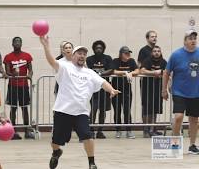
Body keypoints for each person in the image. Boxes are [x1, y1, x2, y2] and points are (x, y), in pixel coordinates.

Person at [39, 36, 120, 169]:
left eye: (84, 54)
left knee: (87, 136)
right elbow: (51, 61)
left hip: (81, 112)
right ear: (73, 55)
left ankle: (91, 162)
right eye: (79, 53)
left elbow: (103, 82)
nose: (82, 56)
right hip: (63, 111)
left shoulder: (89, 73)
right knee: (56, 141)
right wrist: (46, 46)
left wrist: (111, 90)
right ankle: (56, 152)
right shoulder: (65, 67)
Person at [162, 29, 199, 154]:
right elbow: (166, 72)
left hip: (196, 92)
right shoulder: (176, 55)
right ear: (185, 41)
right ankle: (175, 144)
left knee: (194, 119)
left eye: (195, 38)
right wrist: (164, 89)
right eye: (190, 38)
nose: (193, 40)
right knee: (178, 117)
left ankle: (192, 145)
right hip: (179, 92)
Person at [3, 36, 34, 139]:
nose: (17, 43)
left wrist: (29, 74)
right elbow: (7, 71)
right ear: (12, 44)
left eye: (19, 42)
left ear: (21, 44)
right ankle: (13, 131)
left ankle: (27, 131)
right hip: (13, 86)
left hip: (24, 86)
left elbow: (30, 70)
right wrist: (12, 73)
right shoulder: (8, 57)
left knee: (24, 108)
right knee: (13, 108)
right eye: (15, 42)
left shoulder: (27, 56)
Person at [86, 40, 113, 139]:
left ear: (103, 49)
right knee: (93, 109)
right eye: (96, 48)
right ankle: (91, 130)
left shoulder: (108, 58)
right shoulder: (89, 59)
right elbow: (87, 70)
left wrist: (99, 74)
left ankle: (100, 131)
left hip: (104, 88)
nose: (98, 49)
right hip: (93, 89)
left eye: (100, 48)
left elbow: (111, 70)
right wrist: (95, 75)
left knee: (103, 110)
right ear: (94, 49)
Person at [111, 46, 139, 139]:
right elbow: (114, 71)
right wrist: (125, 72)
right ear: (121, 54)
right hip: (116, 90)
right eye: (126, 53)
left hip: (127, 90)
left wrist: (131, 73)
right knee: (117, 111)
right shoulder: (115, 61)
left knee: (127, 111)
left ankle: (129, 130)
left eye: (129, 53)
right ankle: (118, 130)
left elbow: (137, 70)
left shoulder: (131, 61)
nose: (128, 55)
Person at [140, 46, 167, 138]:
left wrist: (161, 74)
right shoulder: (147, 60)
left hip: (158, 88)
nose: (156, 53)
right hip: (147, 88)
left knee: (155, 109)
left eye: (158, 51)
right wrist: (154, 73)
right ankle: (146, 129)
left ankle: (152, 129)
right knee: (147, 109)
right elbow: (142, 70)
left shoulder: (163, 62)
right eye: (155, 51)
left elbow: (166, 72)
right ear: (152, 53)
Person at [137, 30, 160, 137]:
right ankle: (146, 129)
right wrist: (151, 73)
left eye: (155, 37)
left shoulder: (157, 50)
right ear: (147, 38)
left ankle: (153, 128)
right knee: (146, 105)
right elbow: (140, 66)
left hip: (157, 83)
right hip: (146, 83)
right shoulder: (143, 51)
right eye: (152, 37)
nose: (154, 38)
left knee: (155, 105)